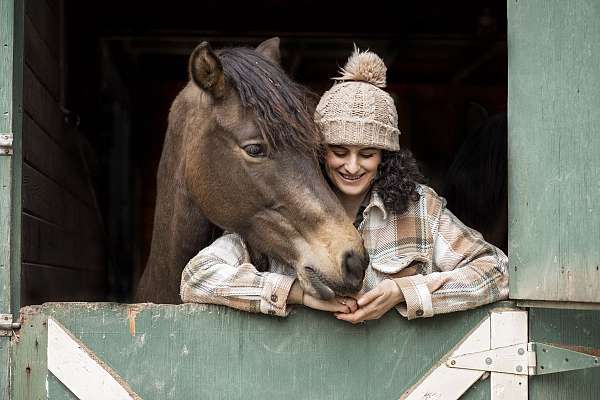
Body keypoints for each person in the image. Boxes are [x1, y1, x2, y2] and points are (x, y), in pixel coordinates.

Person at [180, 47, 509, 323]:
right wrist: (295, 295)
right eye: (339, 152)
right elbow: (198, 277)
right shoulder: (285, 212)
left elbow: (496, 271)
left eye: (367, 154)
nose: (352, 166)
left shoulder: (420, 211)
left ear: (385, 155)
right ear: (320, 151)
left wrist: (405, 292)